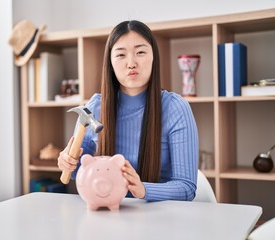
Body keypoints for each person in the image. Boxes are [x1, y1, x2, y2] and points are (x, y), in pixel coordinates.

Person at [57, 20, 199, 202]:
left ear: (153, 56)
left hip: (160, 217)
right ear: (110, 62)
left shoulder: (176, 108)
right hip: (107, 211)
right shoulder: (94, 107)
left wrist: (143, 189)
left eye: (140, 52)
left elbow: (187, 188)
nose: (131, 63)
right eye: (121, 55)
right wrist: (69, 163)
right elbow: (80, 171)